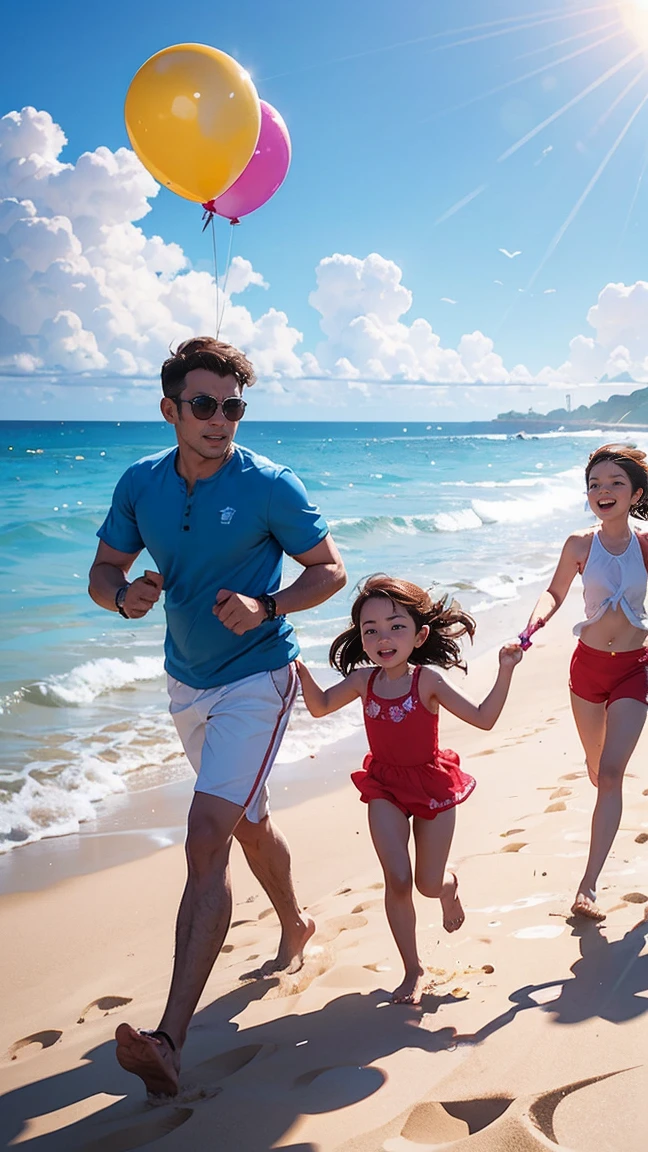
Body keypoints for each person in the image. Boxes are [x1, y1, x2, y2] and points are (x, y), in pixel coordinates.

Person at [88, 337, 346, 1096]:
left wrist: (267, 603)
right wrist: (122, 594)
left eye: (233, 406)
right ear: (169, 409)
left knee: (207, 837)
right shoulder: (141, 482)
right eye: (204, 405)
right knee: (244, 819)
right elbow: (104, 568)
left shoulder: (269, 483)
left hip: (258, 679)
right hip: (185, 682)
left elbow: (329, 568)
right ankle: (295, 923)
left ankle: (169, 1038)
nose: (220, 419)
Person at [296, 575, 522, 1005]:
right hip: (384, 786)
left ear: (419, 635)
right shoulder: (364, 682)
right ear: (360, 637)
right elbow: (321, 706)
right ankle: (413, 970)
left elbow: (485, 717)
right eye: (371, 629)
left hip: (431, 786)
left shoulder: (427, 682)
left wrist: (505, 669)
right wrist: (300, 669)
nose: (383, 638)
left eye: (396, 626)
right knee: (397, 880)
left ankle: (449, 886)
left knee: (426, 883)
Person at [523, 443, 648, 922]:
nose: (603, 491)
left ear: (636, 493)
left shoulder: (646, 543)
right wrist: (531, 628)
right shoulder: (579, 545)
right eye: (595, 484)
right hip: (587, 671)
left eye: (615, 482)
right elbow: (554, 592)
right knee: (598, 771)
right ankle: (598, 769)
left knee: (612, 776)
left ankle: (588, 886)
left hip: (636, 668)